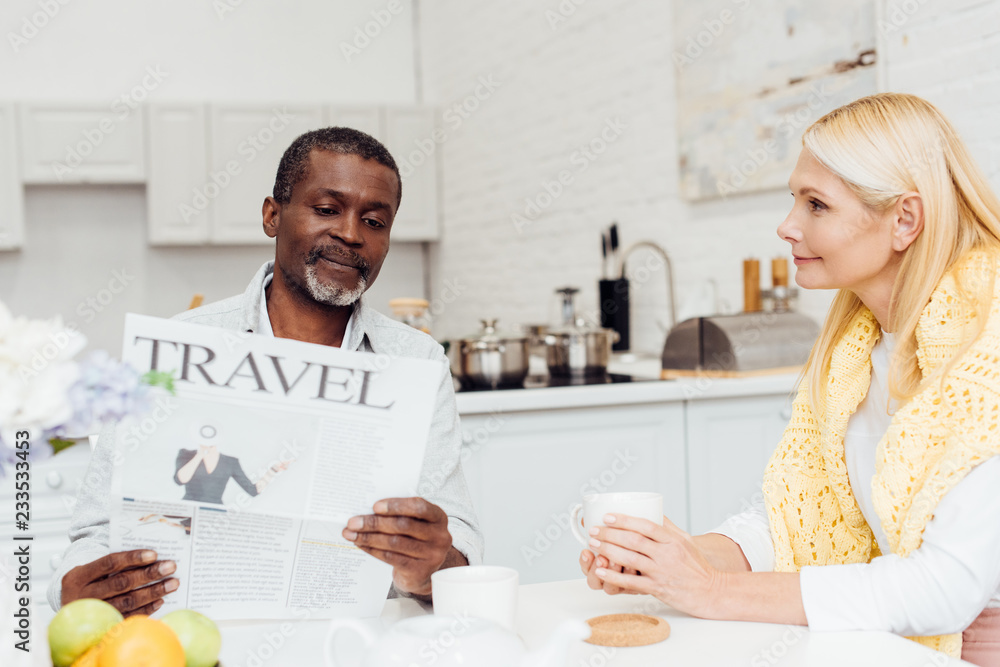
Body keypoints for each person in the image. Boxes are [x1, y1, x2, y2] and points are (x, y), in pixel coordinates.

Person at [579, 93, 1000, 665]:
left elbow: (942, 587)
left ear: (904, 219)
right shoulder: (852, 344)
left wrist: (711, 590)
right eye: (793, 200)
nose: (786, 226)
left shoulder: (986, 350)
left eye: (816, 205)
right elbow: (792, 518)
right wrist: (672, 560)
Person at [49, 127, 483, 616]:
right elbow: (93, 536)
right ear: (272, 216)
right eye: (326, 209)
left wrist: (429, 567)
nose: (351, 233)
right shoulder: (173, 352)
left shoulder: (417, 363)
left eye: (375, 220)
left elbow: (459, 551)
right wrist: (75, 589)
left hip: (359, 643)